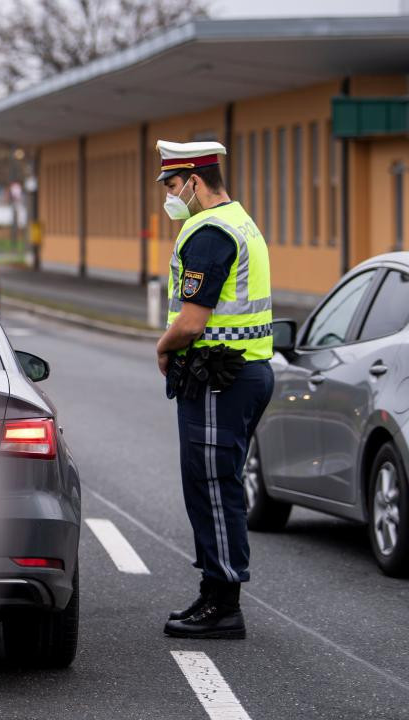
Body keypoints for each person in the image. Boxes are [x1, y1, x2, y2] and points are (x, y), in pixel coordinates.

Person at [153, 141, 274, 640]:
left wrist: (163, 347)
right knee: (214, 482)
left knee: (212, 488)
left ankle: (224, 602)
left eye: (171, 185)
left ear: (195, 182)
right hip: (239, 372)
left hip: (218, 376)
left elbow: (192, 321)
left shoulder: (207, 233)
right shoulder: (240, 220)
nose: (169, 196)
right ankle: (213, 591)